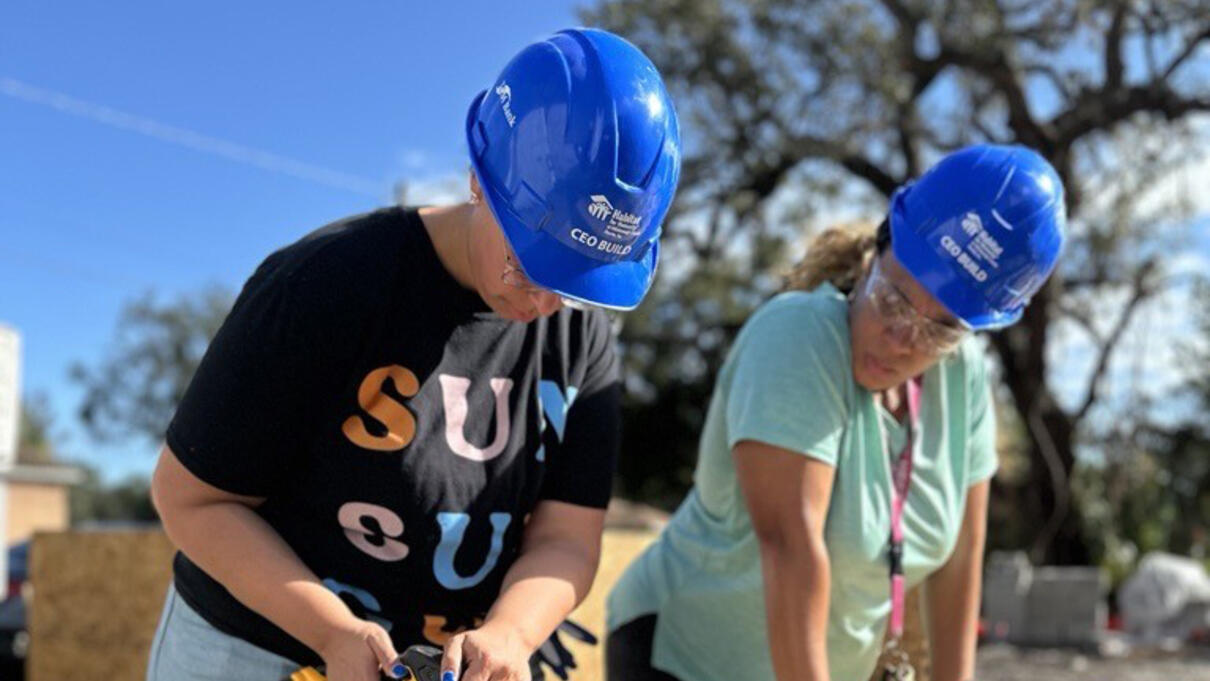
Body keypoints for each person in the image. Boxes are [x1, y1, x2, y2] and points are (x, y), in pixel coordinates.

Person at [146, 28, 680, 681]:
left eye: (581, 278)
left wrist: (510, 634)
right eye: (529, 264)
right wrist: (332, 631)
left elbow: (566, 538)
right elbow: (190, 500)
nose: (547, 300)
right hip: (255, 647)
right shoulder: (329, 283)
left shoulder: (581, 337)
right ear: (479, 183)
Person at [605, 144, 1066, 681]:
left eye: (939, 328)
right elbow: (791, 548)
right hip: (687, 657)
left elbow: (963, 558)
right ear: (875, 253)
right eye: (893, 298)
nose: (899, 339)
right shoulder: (799, 337)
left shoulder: (963, 377)